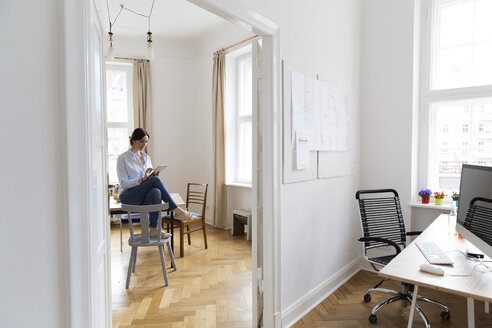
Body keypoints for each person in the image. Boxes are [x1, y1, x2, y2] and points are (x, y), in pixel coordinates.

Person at [117, 128, 196, 236]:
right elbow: (124, 184)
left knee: (156, 191)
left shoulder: (146, 157)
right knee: (155, 181)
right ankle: (177, 210)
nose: (144, 144)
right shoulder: (122, 158)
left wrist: (151, 176)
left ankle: (154, 229)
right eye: (141, 141)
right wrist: (142, 179)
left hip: (143, 195)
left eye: (146, 142)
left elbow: (148, 178)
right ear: (134, 140)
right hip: (128, 196)